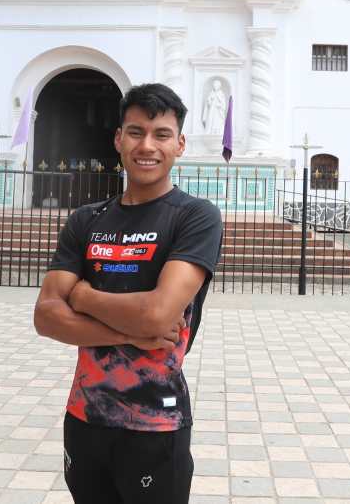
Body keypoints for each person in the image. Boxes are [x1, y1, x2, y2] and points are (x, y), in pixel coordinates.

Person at [34, 82, 222, 503]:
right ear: (118, 139)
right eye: (136, 132)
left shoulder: (194, 217)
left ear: (180, 145)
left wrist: (82, 297)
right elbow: (45, 316)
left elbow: (157, 315)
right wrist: (129, 333)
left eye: (161, 134)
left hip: (156, 424)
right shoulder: (87, 220)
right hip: (85, 417)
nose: (147, 146)